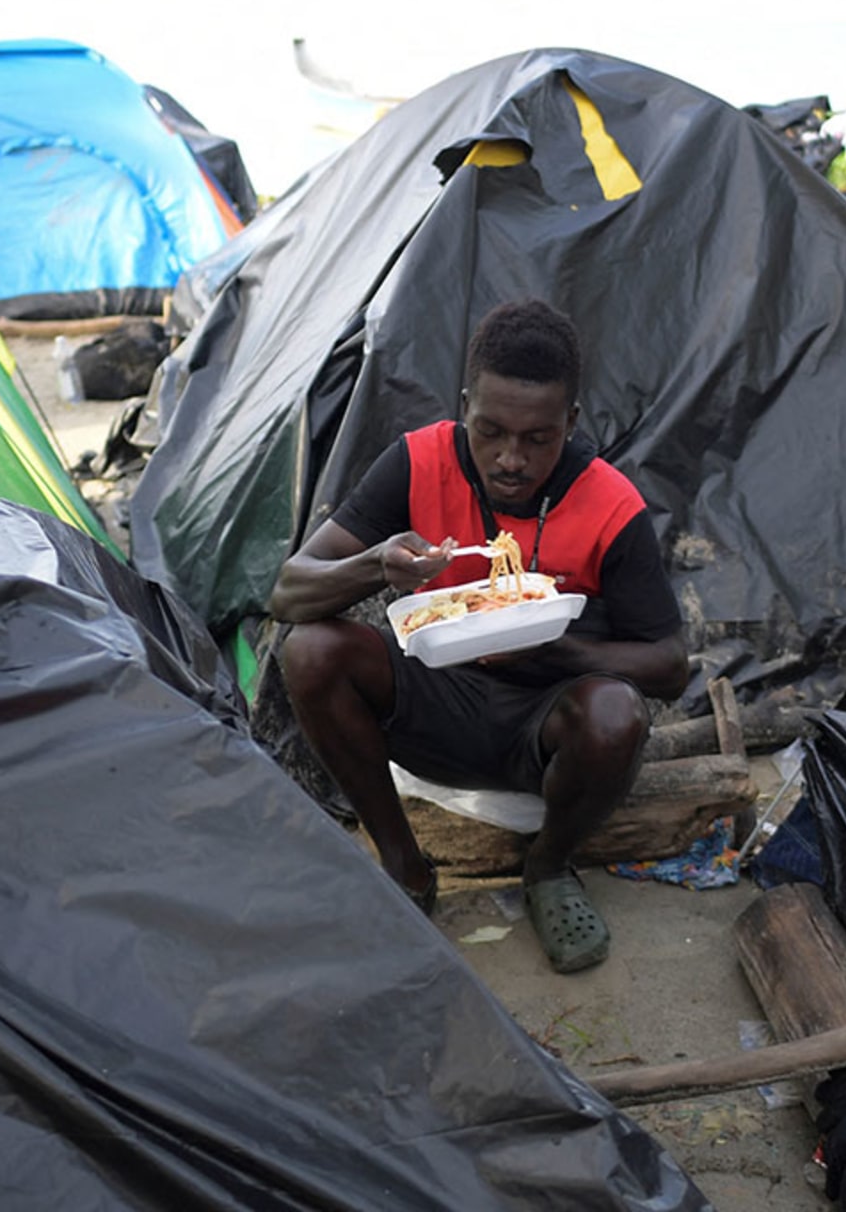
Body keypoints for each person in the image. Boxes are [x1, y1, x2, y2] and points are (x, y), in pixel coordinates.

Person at [268, 299, 689, 973]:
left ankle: (549, 869)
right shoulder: (418, 462)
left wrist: (559, 648)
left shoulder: (609, 503)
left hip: (543, 725)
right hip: (436, 703)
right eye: (490, 431)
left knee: (614, 712)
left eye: (538, 438)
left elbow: (670, 664)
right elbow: (290, 590)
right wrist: (375, 566)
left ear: (571, 423)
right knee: (311, 649)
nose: (511, 459)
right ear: (464, 405)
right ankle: (404, 865)